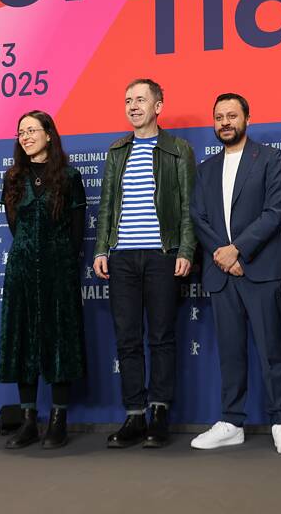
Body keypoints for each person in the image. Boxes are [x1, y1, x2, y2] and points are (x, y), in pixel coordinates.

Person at [189, 93, 281, 454]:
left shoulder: (269, 159)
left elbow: (273, 211)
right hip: (222, 274)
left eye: (231, 115)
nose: (225, 122)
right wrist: (224, 256)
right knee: (230, 352)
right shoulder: (204, 169)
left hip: (260, 270)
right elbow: (199, 218)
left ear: (247, 119)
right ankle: (231, 422)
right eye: (219, 116)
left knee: (271, 351)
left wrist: (238, 250)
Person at [93, 79, 196, 448]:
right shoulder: (116, 151)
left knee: (162, 336)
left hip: (162, 255)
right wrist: (101, 249)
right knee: (127, 338)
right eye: (127, 100)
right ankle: (134, 415)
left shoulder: (178, 149)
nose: (133, 106)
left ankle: (160, 412)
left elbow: (188, 206)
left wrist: (186, 250)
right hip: (121, 258)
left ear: (158, 106)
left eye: (140, 99)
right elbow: (106, 205)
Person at [0, 110, 87, 450]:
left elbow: (78, 232)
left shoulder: (69, 176)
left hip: (59, 270)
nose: (26, 136)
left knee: (58, 343)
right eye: (21, 131)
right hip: (20, 270)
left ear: (49, 134)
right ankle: (28, 421)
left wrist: (61, 262)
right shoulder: (12, 178)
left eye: (33, 130)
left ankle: (58, 421)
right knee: (22, 342)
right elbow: (14, 226)